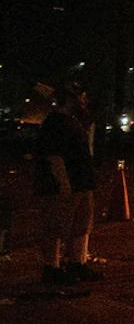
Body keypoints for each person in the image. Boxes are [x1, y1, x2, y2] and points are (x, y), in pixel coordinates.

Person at [34, 81, 101, 286]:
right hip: (65, 184)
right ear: (70, 99)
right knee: (55, 226)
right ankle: (51, 267)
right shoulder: (55, 122)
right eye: (80, 97)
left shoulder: (73, 120)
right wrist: (63, 183)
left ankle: (77, 263)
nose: (84, 100)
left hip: (81, 182)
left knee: (81, 225)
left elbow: (90, 117)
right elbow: (54, 156)